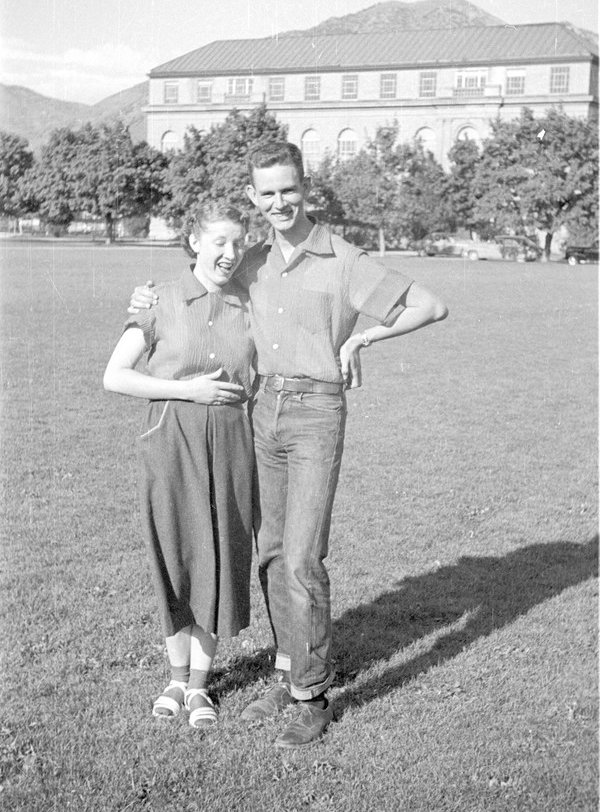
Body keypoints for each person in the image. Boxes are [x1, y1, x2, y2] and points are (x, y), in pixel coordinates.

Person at [130, 142, 448, 748]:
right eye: (267, 193)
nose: (279, 202)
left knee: (301, 556)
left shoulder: (343, 258)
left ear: (307, 189)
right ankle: (287, 667)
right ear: (254, 198)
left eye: (289, 190)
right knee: (271, 552)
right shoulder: (249, 261)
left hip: (316, 413)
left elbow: (433, 305)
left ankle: (313, 694)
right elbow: (198, 291)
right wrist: (144, 301)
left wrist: (363, 340)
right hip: (260, 411)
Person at [104, 203, 255, 730]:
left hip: (233, 445)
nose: (229, 254)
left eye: (237, 243)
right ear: (193, 241)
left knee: (218, 554)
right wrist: (187, 390)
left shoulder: (251, 301)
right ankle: (174, 676)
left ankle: (199, 686)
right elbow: (116, 376)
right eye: (218, 241)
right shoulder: (160, 299)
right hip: (169, 441)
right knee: (174, 553)